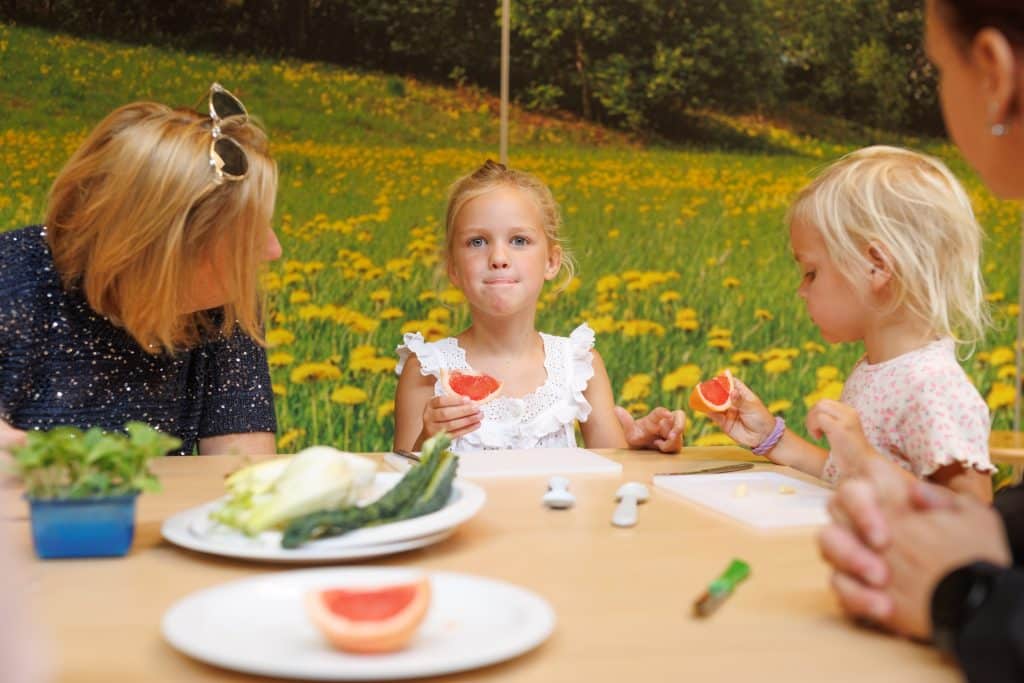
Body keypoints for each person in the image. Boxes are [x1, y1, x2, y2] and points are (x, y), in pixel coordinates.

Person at [821, 1, 1024, 680]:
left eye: (938, 66)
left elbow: (965, 510)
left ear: (993, 72)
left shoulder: (930, 383)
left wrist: (965, 594)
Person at [0, 84, 281, 457]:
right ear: (166, 247)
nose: (272, 250)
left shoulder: (227, 305)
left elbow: (245, 474)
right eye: (244, 235)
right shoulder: (14, 280)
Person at [707, 145, 994, 501]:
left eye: (811, 272)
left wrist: (865, 461)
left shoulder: (932, 386)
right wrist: (770, 437)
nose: (801, 290)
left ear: (877, 267)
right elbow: (841, 476)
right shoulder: (878, 370)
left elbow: (973, 515)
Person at [393, 160, 685, 453]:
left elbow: (615, 478)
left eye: (519, 240)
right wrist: (427, 441)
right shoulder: (427, 369)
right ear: (453, 268)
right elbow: (402, 489)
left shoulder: (580, 365)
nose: (498, 257)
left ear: (551, 261)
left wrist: (641, 447)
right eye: (477, 241)